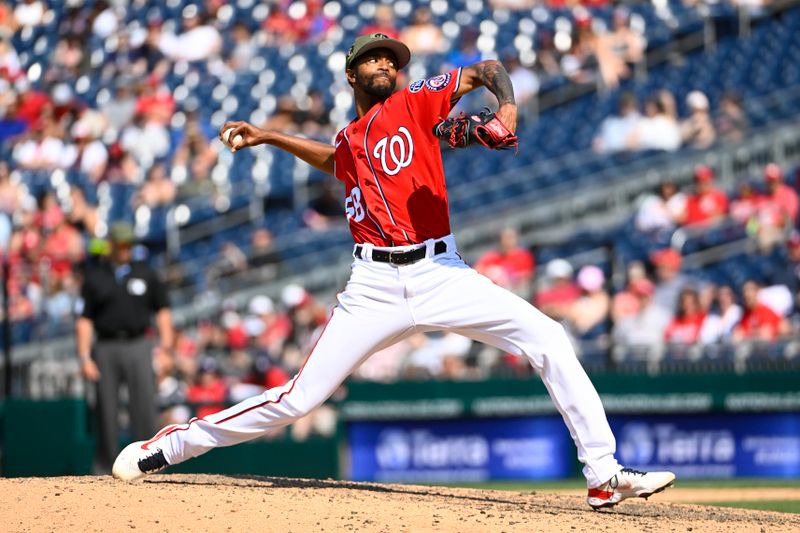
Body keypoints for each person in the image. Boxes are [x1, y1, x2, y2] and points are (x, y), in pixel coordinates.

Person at [113, 32, 674, 509]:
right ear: (351, 74)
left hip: (440, 271)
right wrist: (270, 136)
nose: (386, 64)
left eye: (392, 59)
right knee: (297, 400)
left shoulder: (415, 102)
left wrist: (505, 108)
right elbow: (338, 160)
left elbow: (489, 69)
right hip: (373, 287)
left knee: (548, 336)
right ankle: (173, 446)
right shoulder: (351, 138)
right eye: (374, 59)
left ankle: (603, 476)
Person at [76, 221, 174, 472]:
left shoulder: (146, 273)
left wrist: (165, 351)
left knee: (144, 406)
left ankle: (149, 466)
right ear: (111, 245)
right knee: (106, 410)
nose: (125, 249)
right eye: (121, 244)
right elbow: (85, 320)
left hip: (139, 343)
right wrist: (85, 357)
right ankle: (106, 469)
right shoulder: (95, 276)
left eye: (129, 244)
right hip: (106, 346)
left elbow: (163, 313)